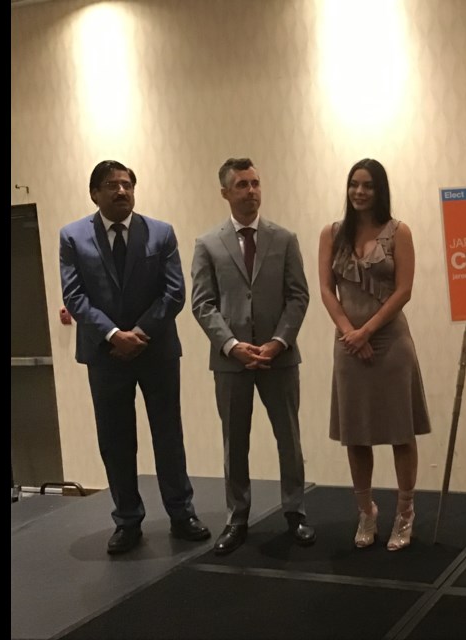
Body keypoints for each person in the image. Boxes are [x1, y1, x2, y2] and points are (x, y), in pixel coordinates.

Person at [59, 160, 210, 555]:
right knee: (115, 440)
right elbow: (74, 296)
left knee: (168, 434)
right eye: (112, 185)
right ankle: (127, 520)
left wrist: (139, 333)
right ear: (95, 193)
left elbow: (174, 292)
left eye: (127, 184)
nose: (122, 191)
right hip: (104, 354)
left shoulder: (160, 233)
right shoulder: (73, 237)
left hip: (155, 349)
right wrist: (112, 334)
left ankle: (181, 513)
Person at [191, 157, 314, 554]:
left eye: (256, 183)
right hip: (231, 361)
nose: (251, 191)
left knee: (289, 438)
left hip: (279, 358)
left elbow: (298, 296)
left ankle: (295, 512)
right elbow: (202, 303)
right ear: (225, 192)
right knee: (235, 441)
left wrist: (279, 342)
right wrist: (232, 345)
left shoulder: (284, 238)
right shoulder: (207, 243)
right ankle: (236, 517)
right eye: (242, 185)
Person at [317, 158, 431, 551]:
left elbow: (404, 291)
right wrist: (351, 333)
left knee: (400, 432)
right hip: (349, 345)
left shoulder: (399, 232)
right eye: (354, 184)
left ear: (380, 190)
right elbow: (327, 291)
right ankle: (366, 511)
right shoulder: (332, 234)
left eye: (368, 185)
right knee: (357, 434)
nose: (360, 192)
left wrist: (367, 330)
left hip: (390, 343)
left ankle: (405, 512)